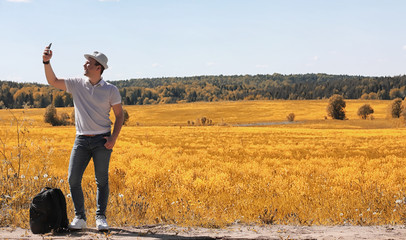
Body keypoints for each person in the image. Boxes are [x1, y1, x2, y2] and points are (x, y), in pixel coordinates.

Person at [42, 45, 124, 231]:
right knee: (73, 179)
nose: (85, 64)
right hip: (81, 140)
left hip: (102, 141)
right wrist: (46, 62)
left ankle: (100, 218)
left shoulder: (111, 90)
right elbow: (53, 80)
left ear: (98, 68)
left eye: (89, 62)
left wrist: (113, 138)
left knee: (101, 180)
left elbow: (120, 116)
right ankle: (80, 218)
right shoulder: (77, 84)